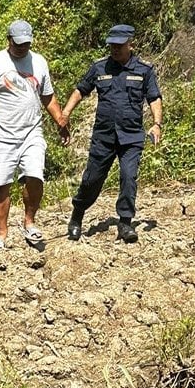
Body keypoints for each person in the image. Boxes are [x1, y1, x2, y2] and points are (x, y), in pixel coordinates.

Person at [0, 19, 70, 250]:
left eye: (26, 43)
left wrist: (60, 121)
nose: (22, 48)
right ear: (9, 40)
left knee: (35, 175)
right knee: (1, 183)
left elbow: (47, 97)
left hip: (31, 132)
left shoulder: (39, 62)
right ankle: (1, 233)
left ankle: (30, 222)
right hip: (2, 134)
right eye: (18, 44)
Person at [62, 24, 163, 243]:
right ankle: (77, 215)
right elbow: (81, 90)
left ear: (130, 44)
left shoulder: (143, 70)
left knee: (128, 177)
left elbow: (154, 97)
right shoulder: (99, 68)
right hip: (104, 136)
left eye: (119, 46)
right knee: (92, 180)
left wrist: (156, 124)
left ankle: (125, 223)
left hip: (131, 136)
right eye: (111, 46)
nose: (115, 50)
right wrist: (66, 113)